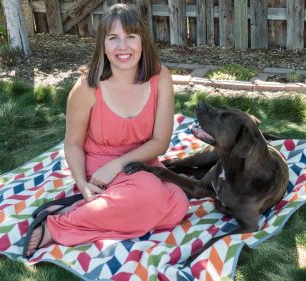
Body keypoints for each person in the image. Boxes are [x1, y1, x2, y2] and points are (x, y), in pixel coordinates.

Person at [23, 3, 189, 258]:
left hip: (143, 162)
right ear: (103, 44)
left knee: (178, 203)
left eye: (130, 37)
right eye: (113, 38)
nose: (123, 46)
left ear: (143, 41)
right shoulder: (87, 87)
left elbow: (160, 142)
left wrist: (120, 165)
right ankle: (56, 227)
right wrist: (83, 186)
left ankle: (89, 210)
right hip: (99, 169)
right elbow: (73, 144)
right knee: (153, 196)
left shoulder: (160, 77)